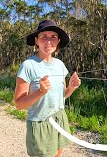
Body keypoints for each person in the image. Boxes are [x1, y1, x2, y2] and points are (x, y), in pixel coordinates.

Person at [14, 20, 81, 157]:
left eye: (53, 37)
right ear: (36, 41)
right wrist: (40, 92)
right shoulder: (28, 66)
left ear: (57, 42)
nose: (48, 41)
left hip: (60, 118)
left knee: (58, 154)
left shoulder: (60, 65)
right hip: (40, 124)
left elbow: (62, 96)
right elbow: (19, 104)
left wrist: (72, 87)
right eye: (44, 36)